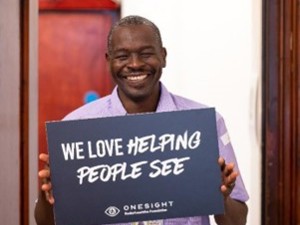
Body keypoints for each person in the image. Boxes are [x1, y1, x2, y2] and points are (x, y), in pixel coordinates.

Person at [35, 15, 249, 225]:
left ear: (163, 56)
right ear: (109, 61)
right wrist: (48, 194)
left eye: (146, 54)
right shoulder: (76, 128)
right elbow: (45, 222)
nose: (135, 64)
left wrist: (221, 198)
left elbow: (237, 221)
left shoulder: (206, 125)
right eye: (122, 56)